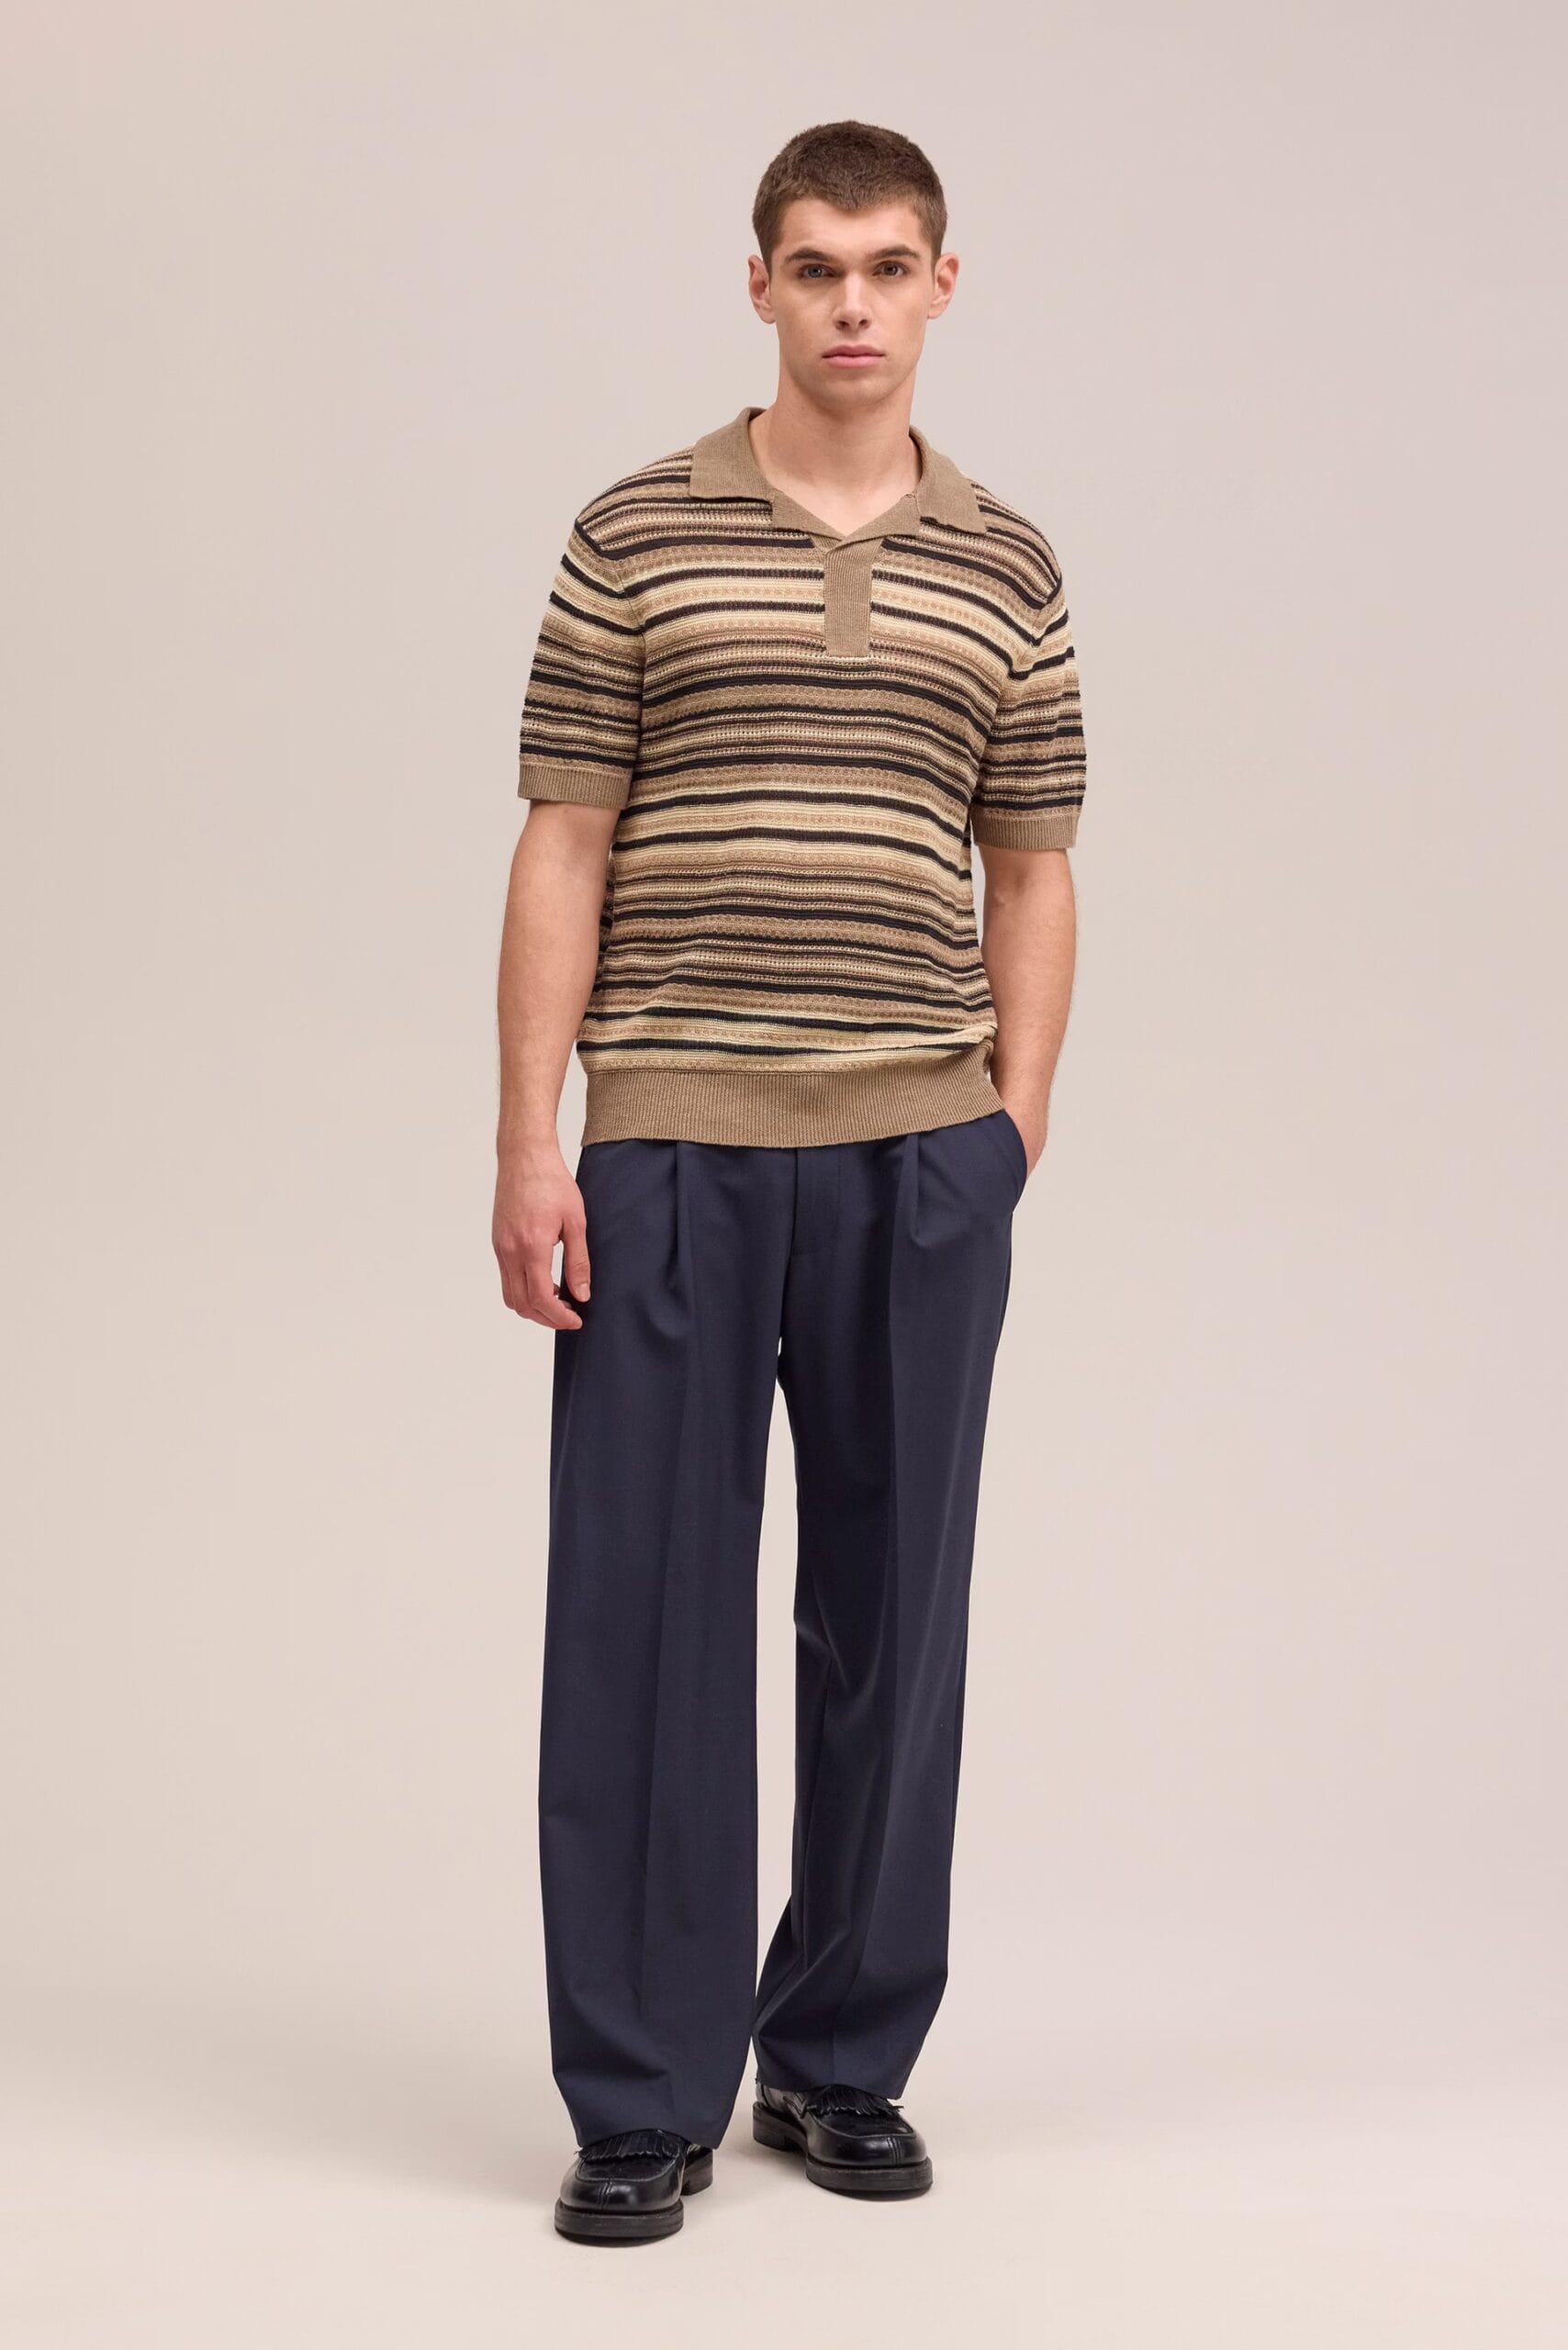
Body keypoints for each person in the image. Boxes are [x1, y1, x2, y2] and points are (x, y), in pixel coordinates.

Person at [494, 118, 1088, 2245]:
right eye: (815, 264)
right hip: (670, 1152)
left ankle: (836, 2055)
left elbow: (1033, 865)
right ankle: (639, 2091)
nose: (851, 301)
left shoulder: (1004, 564)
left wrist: (1008, 1126)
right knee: (640, 1619)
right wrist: (532, 1137)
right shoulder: (634, 533)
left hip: (916, 1157)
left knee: (891, 1617)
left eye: (886, 265)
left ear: (942, 285)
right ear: (757, 283)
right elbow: (562, 840)